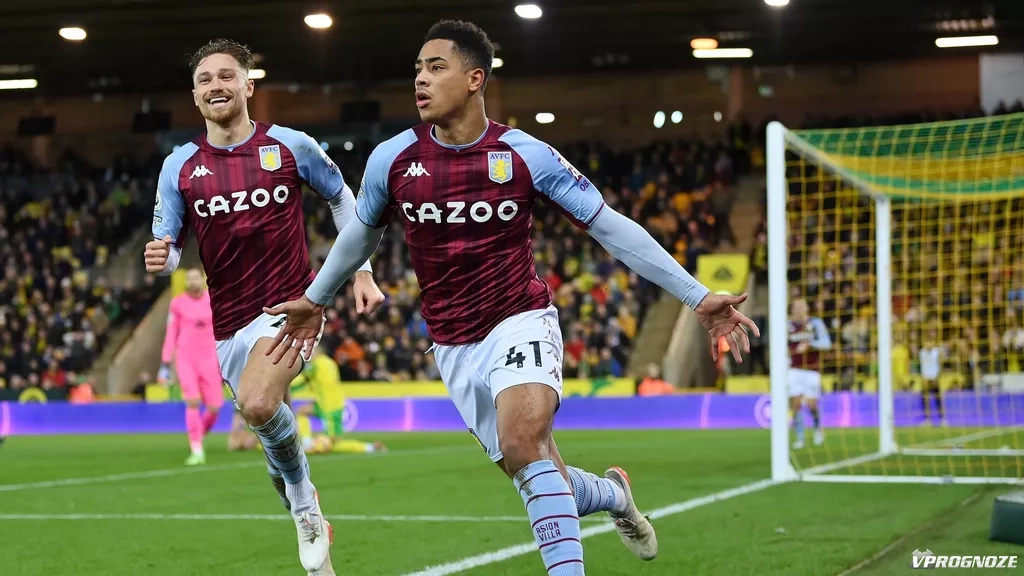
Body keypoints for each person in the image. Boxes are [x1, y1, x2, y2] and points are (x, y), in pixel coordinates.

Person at [263, 20, 758, 575]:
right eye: (418, 70)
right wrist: (316, 297)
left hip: (518, 319)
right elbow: (360, 234)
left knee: (523, 442)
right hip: (452, 344)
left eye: (436, 68)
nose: (420, 80)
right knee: (541, 476)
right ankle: (614, 495)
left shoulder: (524, 154)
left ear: (475, 79)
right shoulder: (393, 159)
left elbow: (609, 226)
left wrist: (695, 295)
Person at [144, 38, 384, 574]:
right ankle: (314, 539)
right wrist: (160, 257)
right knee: (272, 443)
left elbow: (342, 197)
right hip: (228, 325)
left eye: (226, 76)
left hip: (291, 308)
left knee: (256, 405)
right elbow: (168, 250)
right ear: (194, 95)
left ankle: (305, 505)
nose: (216, 86)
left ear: (249, 85)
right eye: (205, 80)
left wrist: (362, 270)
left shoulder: (289, 145)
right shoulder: (179, 165)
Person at [158, 267, 222, 465]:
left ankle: (198, 434)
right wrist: (165, 362)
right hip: (186, 357)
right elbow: (171, 331)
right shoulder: (177, 303)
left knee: (214, 407)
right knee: (192, 401)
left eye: (196, 278)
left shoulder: (214, 299)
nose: (193, 281)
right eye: (189, 279)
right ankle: (196, 448)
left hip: (210, 357)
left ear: (203, 279)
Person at [291, 342, 387, 454]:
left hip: (330, 406)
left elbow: (302, 380)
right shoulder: (330, 362)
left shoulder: (317, 363)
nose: (308, 354)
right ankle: (307, 443)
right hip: (328, 402)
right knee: (301, 412)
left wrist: (285, 385)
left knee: (334, 443)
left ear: (319, 351)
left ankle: (370, 447)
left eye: (312, 351)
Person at [787, 298, 832, 449]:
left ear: (807, 308)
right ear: (792, 309)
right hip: (794, 369)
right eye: (796, 306)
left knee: (812, 404)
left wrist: (810, 344)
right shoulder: (788, 325)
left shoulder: (816, 323)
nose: (799, 308)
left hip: (812, 369)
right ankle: (800, 437)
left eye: (802, 306)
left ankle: (818, 428)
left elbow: (827, 344)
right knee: (795, 403)